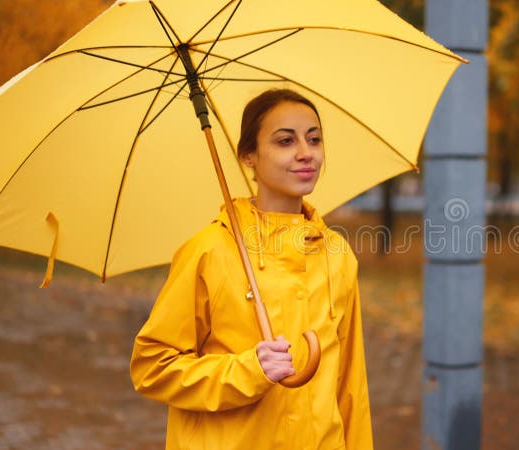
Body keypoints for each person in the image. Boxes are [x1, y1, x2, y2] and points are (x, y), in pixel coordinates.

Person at [130, 89, 373, 450]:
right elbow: (153, 367)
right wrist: (248, 371)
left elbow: (350, 385)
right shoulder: (210, 251)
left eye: (314, 139)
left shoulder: (336, 255)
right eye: (285, 141)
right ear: (249, 156)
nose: (306, 153)